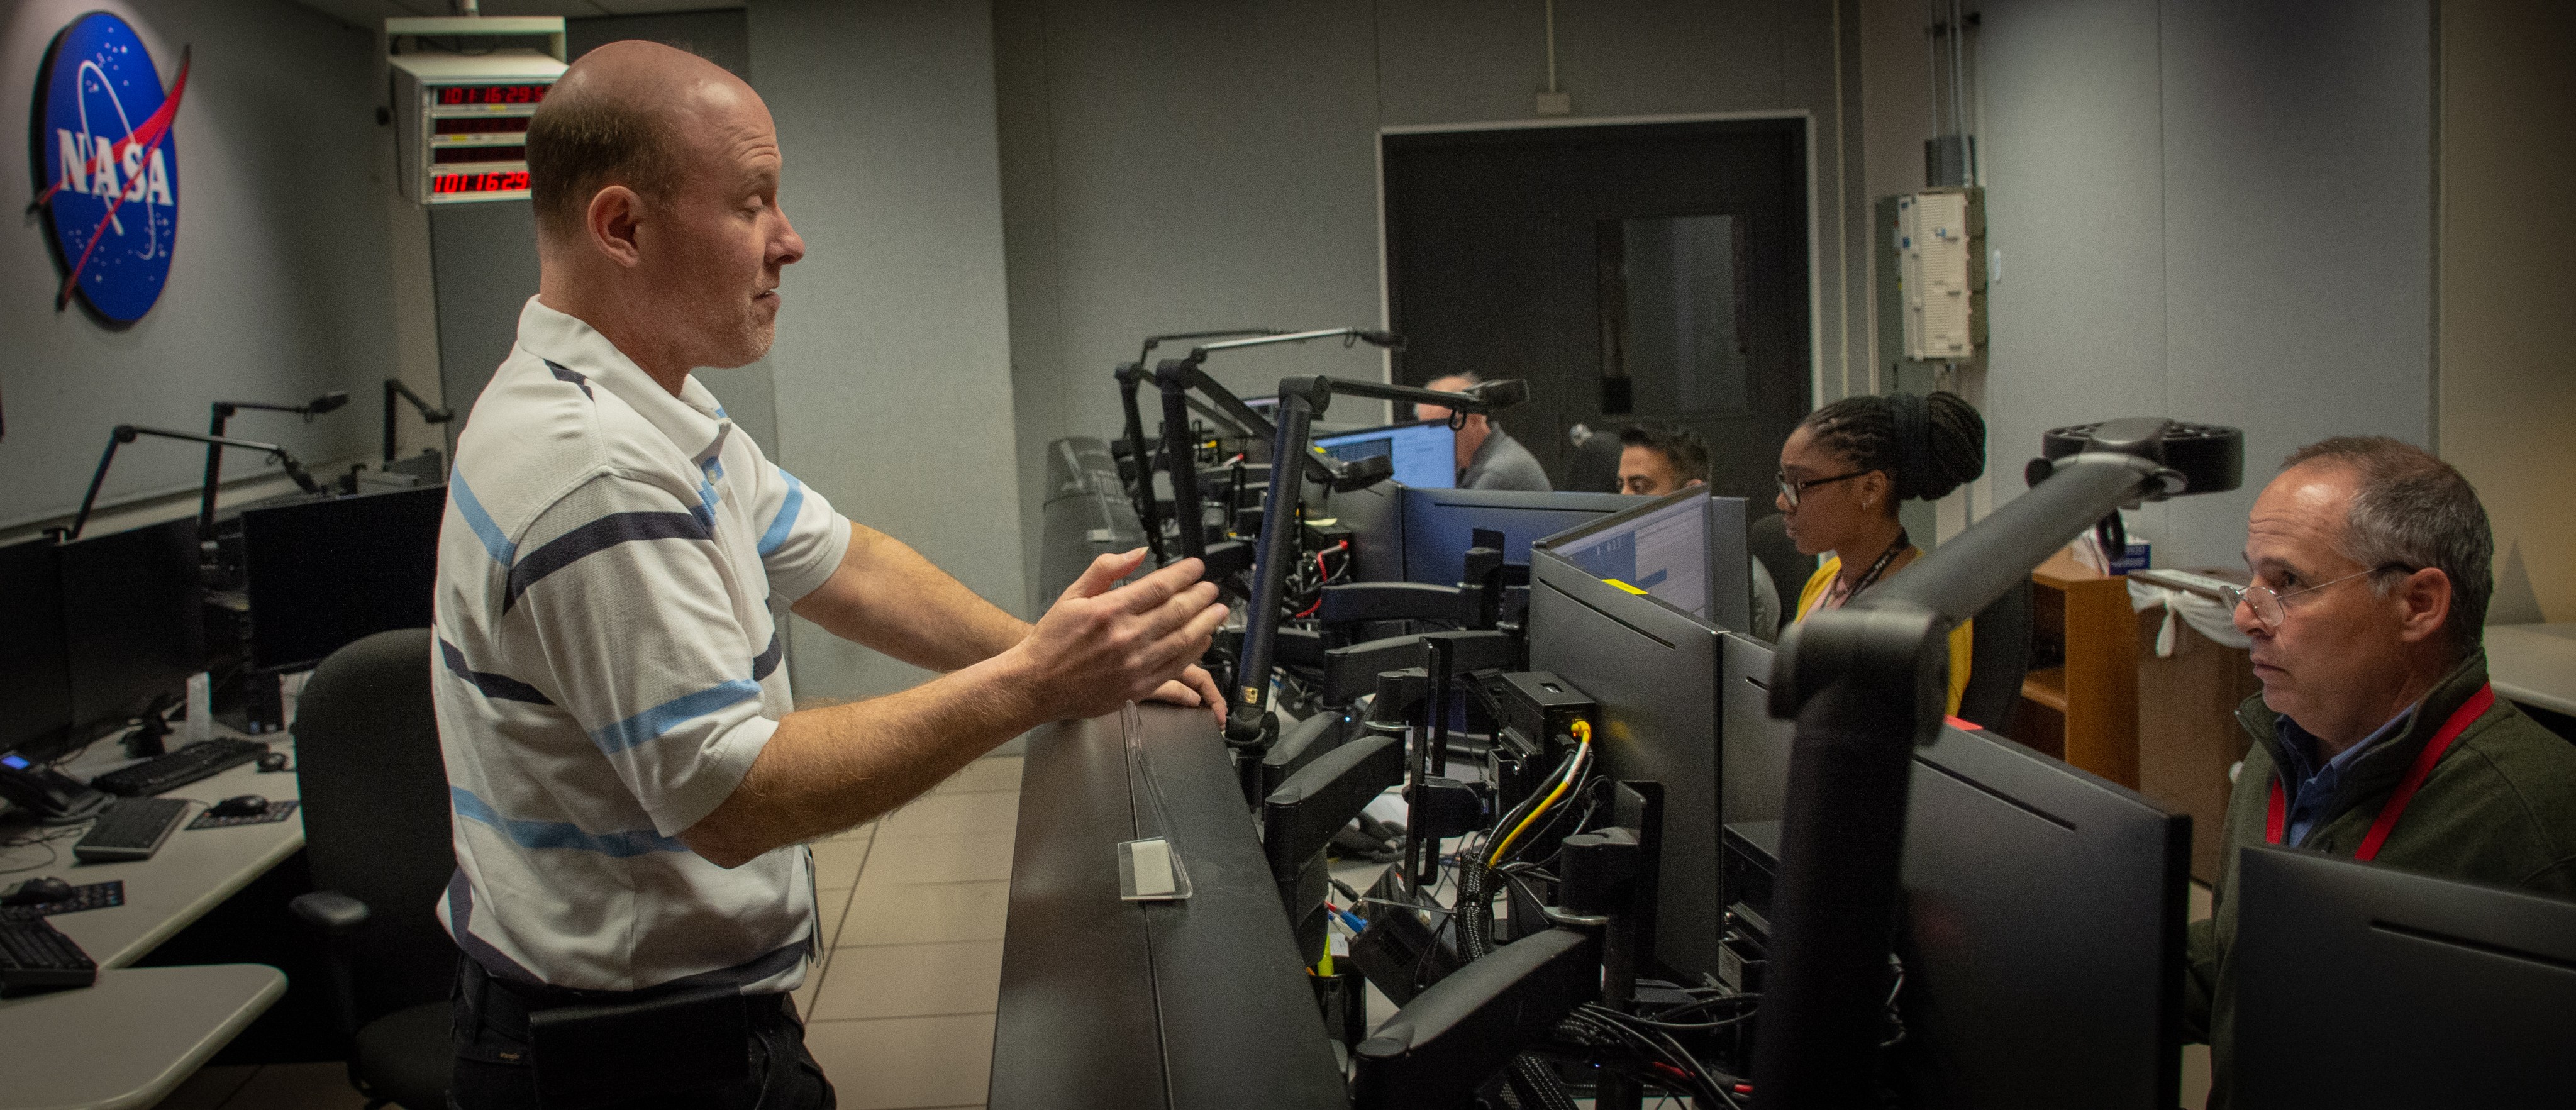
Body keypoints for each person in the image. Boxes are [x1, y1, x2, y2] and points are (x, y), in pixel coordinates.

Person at [430, 43, 1228, 1109]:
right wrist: (1035, 686)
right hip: (633, 1065)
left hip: (657, 1023)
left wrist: (1064, 656)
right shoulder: (595, 470)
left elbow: (843, 562)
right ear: (621, 227)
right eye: (753, 203)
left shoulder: (645, 407)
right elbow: (731, 795)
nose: (789, 242)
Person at [2184, 436, 2576, 1109]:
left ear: (2418, 604)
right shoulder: (2279, 749)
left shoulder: (2535, 824)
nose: (2246, 615)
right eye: (2250, 580)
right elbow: (2252, 960)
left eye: (2288, 584)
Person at [1774, 391, 1985, 714]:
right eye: (1784, 482)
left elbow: (1926, 756)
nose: (1783, 503)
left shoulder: (1931, 613)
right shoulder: (1827, 579)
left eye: (1800, 484)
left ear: (1871, 488)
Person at [1617, 421, 1780, 640]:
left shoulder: (1741, 588)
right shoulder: (1637, 558)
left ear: (1692, 493)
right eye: (1620, 486)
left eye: (1638, 487)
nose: (1622, 498)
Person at [1413, 372, 1552, 491]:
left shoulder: (1497, 473)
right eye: (1427, 431)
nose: (1433, 441)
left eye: (1443, 427)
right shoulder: (1469, 465)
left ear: (1474, 416)